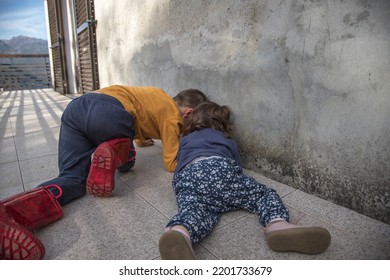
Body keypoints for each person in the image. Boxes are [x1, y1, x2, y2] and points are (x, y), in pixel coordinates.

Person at [0, 85, 209, 260]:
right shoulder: (173, 116)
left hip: (76, 110)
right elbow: (171, 163)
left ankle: (12, 213)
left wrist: (140, 140)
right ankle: (116, 151)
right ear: (188, 113)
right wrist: (198, 156)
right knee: (127, 162)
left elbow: (139, 120)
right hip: (110, 114)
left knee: (72, 179)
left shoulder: (156, 95)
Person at [158, 102, 331, 259]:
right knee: (263, 194)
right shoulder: (226, 139)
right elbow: (236, 166)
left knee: (194, 210)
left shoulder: (186, 140)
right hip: (221, 169)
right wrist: (231, 186)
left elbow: (180, 163)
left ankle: (181, 232)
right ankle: (277, 224)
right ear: (222, 124)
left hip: (188, 177)